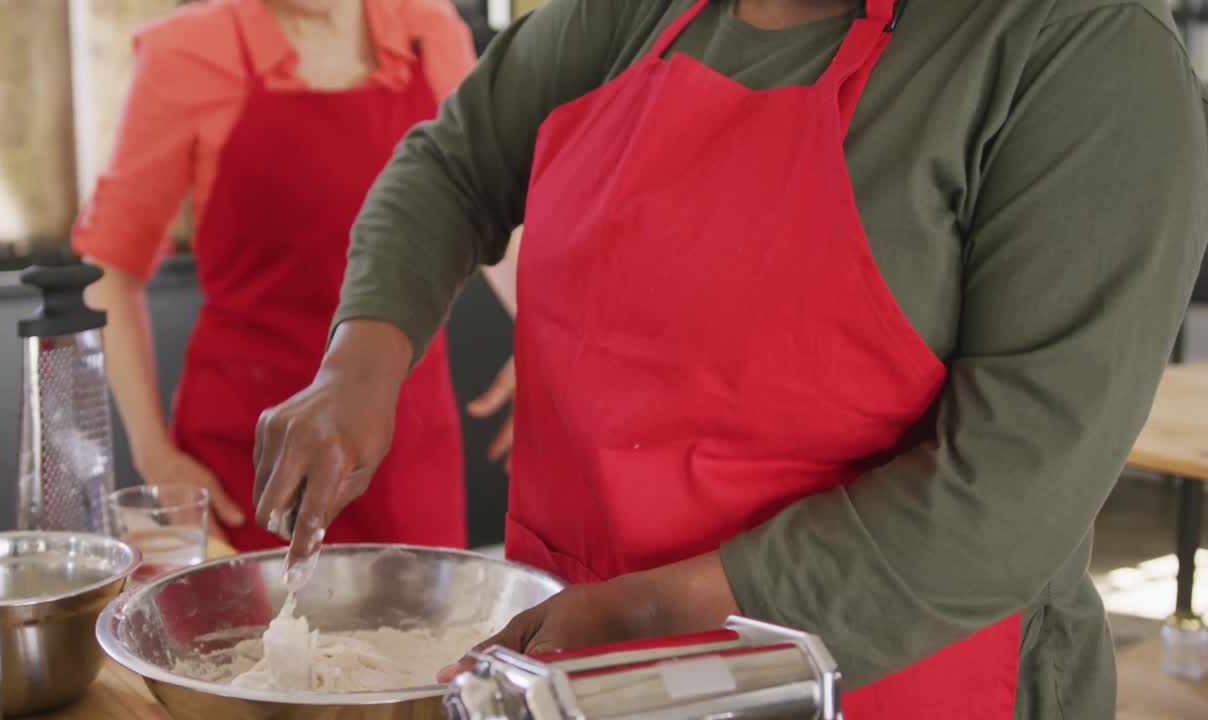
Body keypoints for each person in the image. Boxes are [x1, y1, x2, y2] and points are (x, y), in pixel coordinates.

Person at [253, 0, 1208, 716]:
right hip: (585, 675)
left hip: (883, 683)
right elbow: (453, 167)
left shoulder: (1082, 51)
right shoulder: (637, 13)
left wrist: (645, 617)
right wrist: (360, 362)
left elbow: (1008, 500)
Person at [72, 0, 515, 551]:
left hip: (408, 462)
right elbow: (111, 268)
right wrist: (154, 456)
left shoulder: (429, 30)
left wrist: (549, 348)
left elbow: (487, 206)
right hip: (251, 468)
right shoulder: (187, 52)